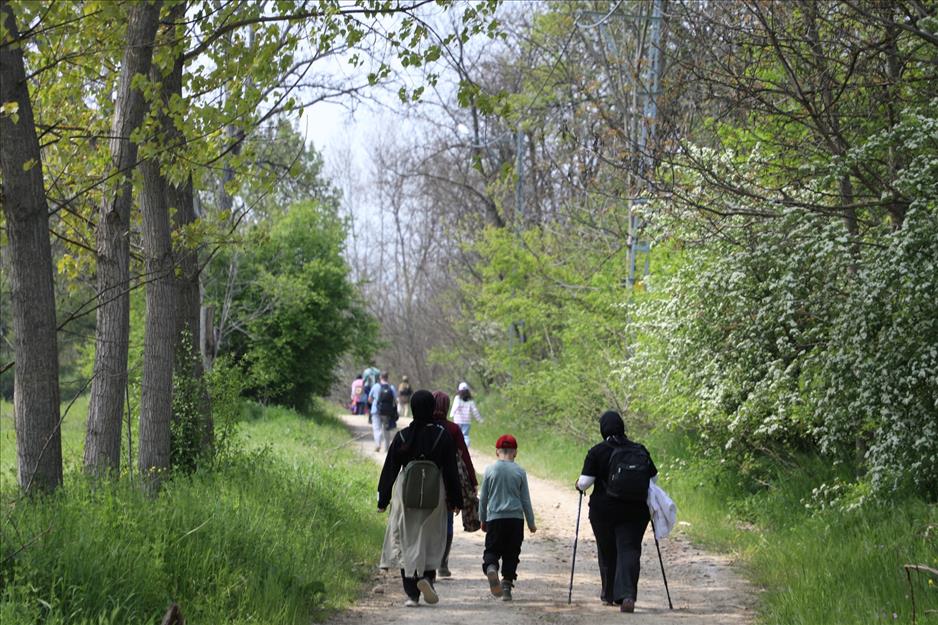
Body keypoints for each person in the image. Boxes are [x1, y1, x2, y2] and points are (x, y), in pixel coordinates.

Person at [378, 390, 463, 607]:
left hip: (406, 496)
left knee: (407, 540)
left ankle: (412, 594)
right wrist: (456, 500)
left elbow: (390, 470)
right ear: (432, 408)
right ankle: (427, 578)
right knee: (430, 539)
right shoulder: (442, 436)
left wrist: (383, 499)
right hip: (435, 495)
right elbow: (451, 471)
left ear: (414, 408)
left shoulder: (403, 436)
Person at [576, 411, 658, 613]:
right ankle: (628, 595)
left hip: (604, 511)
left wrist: (578, 485)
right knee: (629, 549)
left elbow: (585, 483)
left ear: (603, 429)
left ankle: (609, 594)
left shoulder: (597, 451)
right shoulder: (639, 450)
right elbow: (653, 479)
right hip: (636, 510)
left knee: (607, 549)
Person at [479, 434, 536, 602]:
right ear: (515, 453)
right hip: (515, 520)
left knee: (492, 549)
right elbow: (525, 499)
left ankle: (491, 567)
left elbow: (483, 498)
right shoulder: (520, 471)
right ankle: (506, 586)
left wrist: (482, 519)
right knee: (511, 553)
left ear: (497, 452)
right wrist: (531, 523)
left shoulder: (490, 470)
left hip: (495, 519)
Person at [432, 391, 480, 577]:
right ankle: (443, 563)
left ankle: (428, 563)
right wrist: (473, 481)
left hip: (427, 481)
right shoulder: (453, 429)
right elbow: (464, 456)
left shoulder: (425, 427)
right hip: (449, 480)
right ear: (446, 406)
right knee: (448, 521)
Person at [369, 371, 398, 453]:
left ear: (380, 377)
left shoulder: (376, 386)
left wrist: (374, 404)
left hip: (376, 411)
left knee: (377, 428)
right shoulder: (391, 387)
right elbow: (395, 400)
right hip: (387, 412)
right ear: (387, 377)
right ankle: (387, 448)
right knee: (386, 429)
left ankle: (378, 445)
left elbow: (369, 399)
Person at [449, 381, 483, 448]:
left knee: (456, 435)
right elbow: (475, 411)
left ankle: (457, 448)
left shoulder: (457, 398)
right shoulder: (470, 400)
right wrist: (479, 419)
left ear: (459, 391)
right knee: (465, 435)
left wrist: (451, 415)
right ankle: (465, 448)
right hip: (467, 421)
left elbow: (455, 407)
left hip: (457, 421)